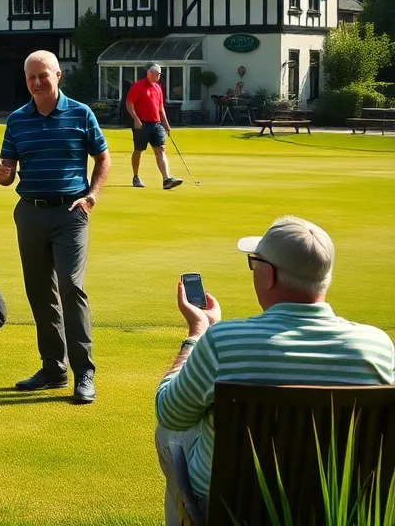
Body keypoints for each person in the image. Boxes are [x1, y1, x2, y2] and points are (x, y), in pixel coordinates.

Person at [153, 217, 394, 524]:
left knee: (170, 431)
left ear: (269, 275)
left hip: (232, 509)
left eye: (254, 263)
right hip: (333, 509)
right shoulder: (377, 347)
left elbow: (170, 413)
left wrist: (196, 334)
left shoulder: (222, 341)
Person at [0, 50, 110, 404]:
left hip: (70, 212)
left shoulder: (80, 113)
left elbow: (102, 157)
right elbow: (8, 170)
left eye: (42, 75)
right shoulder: (17, 119)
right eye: (31, 77)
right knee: (39, 291)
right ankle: (53, 368)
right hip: (30, 211)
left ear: (58, 75)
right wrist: (3, 175)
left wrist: (91, 196)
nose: (36, 82)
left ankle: (84, 372)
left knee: (71, 287)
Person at [126, 63, 182, 190]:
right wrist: (136, 119)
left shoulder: (158, 88)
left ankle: (166, 179)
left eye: (159, 74)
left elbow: (160, 107)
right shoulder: (138, 86)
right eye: (157, 74)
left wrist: (166, 124)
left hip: (156, 124)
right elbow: (129, 103)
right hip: (141, 123)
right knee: (138, 150)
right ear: (149, 73)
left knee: (160, 149)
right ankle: (136, 177)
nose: (158, 76)